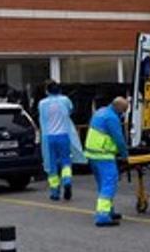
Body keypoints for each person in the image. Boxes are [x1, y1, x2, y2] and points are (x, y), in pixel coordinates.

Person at [83, 97, 130, 227]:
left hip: (92, 154)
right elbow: (119, 139)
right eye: (124, 111)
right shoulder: (112, 118)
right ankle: (103, 216)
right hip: (103, 154)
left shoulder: (100, 112)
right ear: (119, 110)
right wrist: (125, 154)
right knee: (109, 183)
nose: (123, 115)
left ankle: (109, 210)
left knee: (103, 184)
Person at [38, 81, 84, 201]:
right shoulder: (65, 100)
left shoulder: (42, 103)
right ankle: (67, 181)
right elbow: (71, 111)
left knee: (51, 164)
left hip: (49, 137)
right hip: (64, 135)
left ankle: (54, 192)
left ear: (47, 91)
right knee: (66, 162)